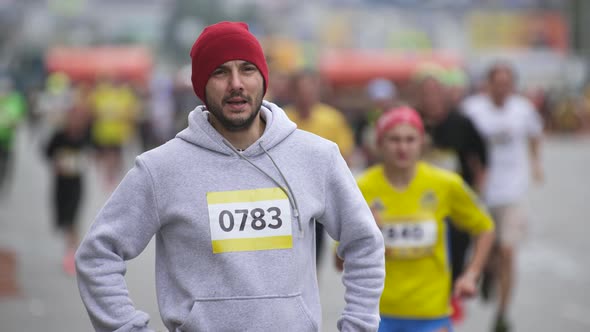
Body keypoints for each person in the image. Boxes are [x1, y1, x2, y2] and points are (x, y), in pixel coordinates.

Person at [75, 21, 385, 332]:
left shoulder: (316, 156)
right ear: (201, 86)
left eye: (247, 69)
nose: (236, 83)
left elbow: (364, 243)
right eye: (220, 72)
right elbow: (97, 256)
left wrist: (358, 325)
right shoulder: (161, 169)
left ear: (263, 79)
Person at [336, 106, 495, 332]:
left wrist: (471, 274)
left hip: (431, 314)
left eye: (410, 140)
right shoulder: (360, 188)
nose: (403, 147)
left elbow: (485, 228)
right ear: (379, 143)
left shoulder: (445, 184)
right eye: (394, 139)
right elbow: (339, 262)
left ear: (422, 143)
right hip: (377, 314)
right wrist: (363, 234)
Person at [461, 62, 544, 332]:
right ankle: (488, 272)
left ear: (512, 86)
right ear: (488, 85)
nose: (502, 89)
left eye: (507, 84)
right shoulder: (472, 109)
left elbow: (535, 135)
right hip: (482, 192)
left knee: (508, 250)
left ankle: (502, 314)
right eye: (497, 84)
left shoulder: (523, 109)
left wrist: (536, 163)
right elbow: (464, 144)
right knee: (489, 251)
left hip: (513, 191)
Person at [414, 74, 488, 323]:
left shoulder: (462, 123)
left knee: (455, 254)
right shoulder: (412, 122)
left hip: (454, 202)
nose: (430, 100)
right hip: (418, 204)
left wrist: (477, 193)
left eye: (435, 94)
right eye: (425, 94)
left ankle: (451, 300)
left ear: (443, 96)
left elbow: (480, 159)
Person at [283, 69, 355, 269]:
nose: (306, 95)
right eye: (301, 90)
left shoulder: (332, 119)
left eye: (310, 89)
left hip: (320, 197)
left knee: (315, 255)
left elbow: (345, 157)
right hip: (290, 198)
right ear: (293, 92)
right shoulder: (282, 119)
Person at [44, 106, 91, 275]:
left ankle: (72, 255)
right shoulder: (60, 135)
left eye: (80, 119)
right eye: (74, 118)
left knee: (72, 218)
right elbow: (47, 151)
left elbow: (90, 153)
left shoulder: (85, 135)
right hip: (61, 183)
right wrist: (57, 161)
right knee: (62, 219)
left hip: (76, 184)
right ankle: (71, 249)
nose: (76, 122)